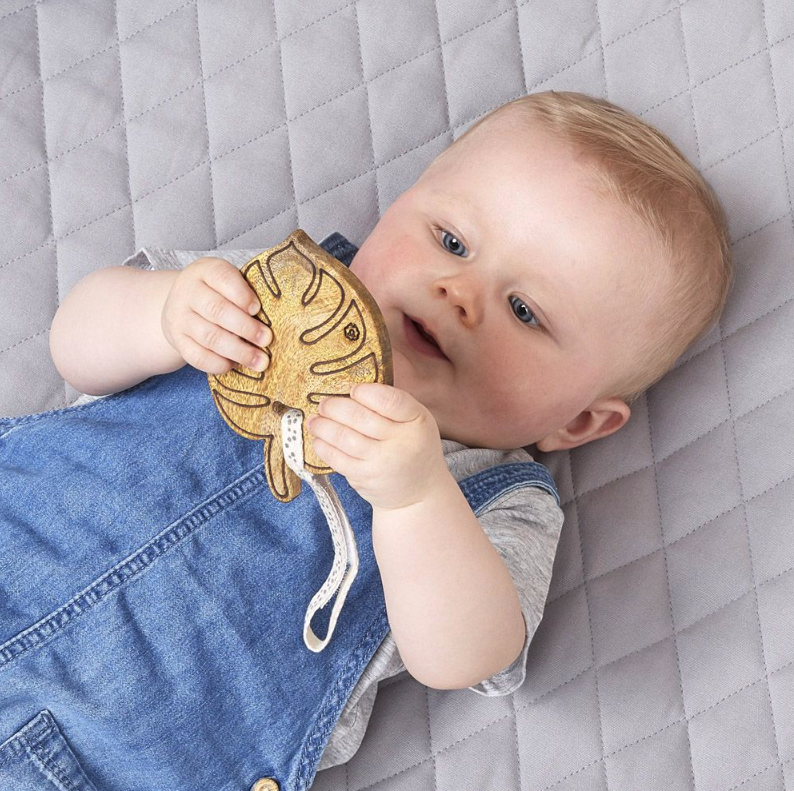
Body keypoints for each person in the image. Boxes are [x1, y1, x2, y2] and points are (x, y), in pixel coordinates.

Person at [1, 91, 732, 790]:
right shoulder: (272, 294)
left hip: (109, 765)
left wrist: (416, 498)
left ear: (574, 423)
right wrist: (162, 314)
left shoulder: (493, 500)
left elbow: (469, 652)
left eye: (524, 310)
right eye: (450, 240)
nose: (459, 291)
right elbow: (75, 345)